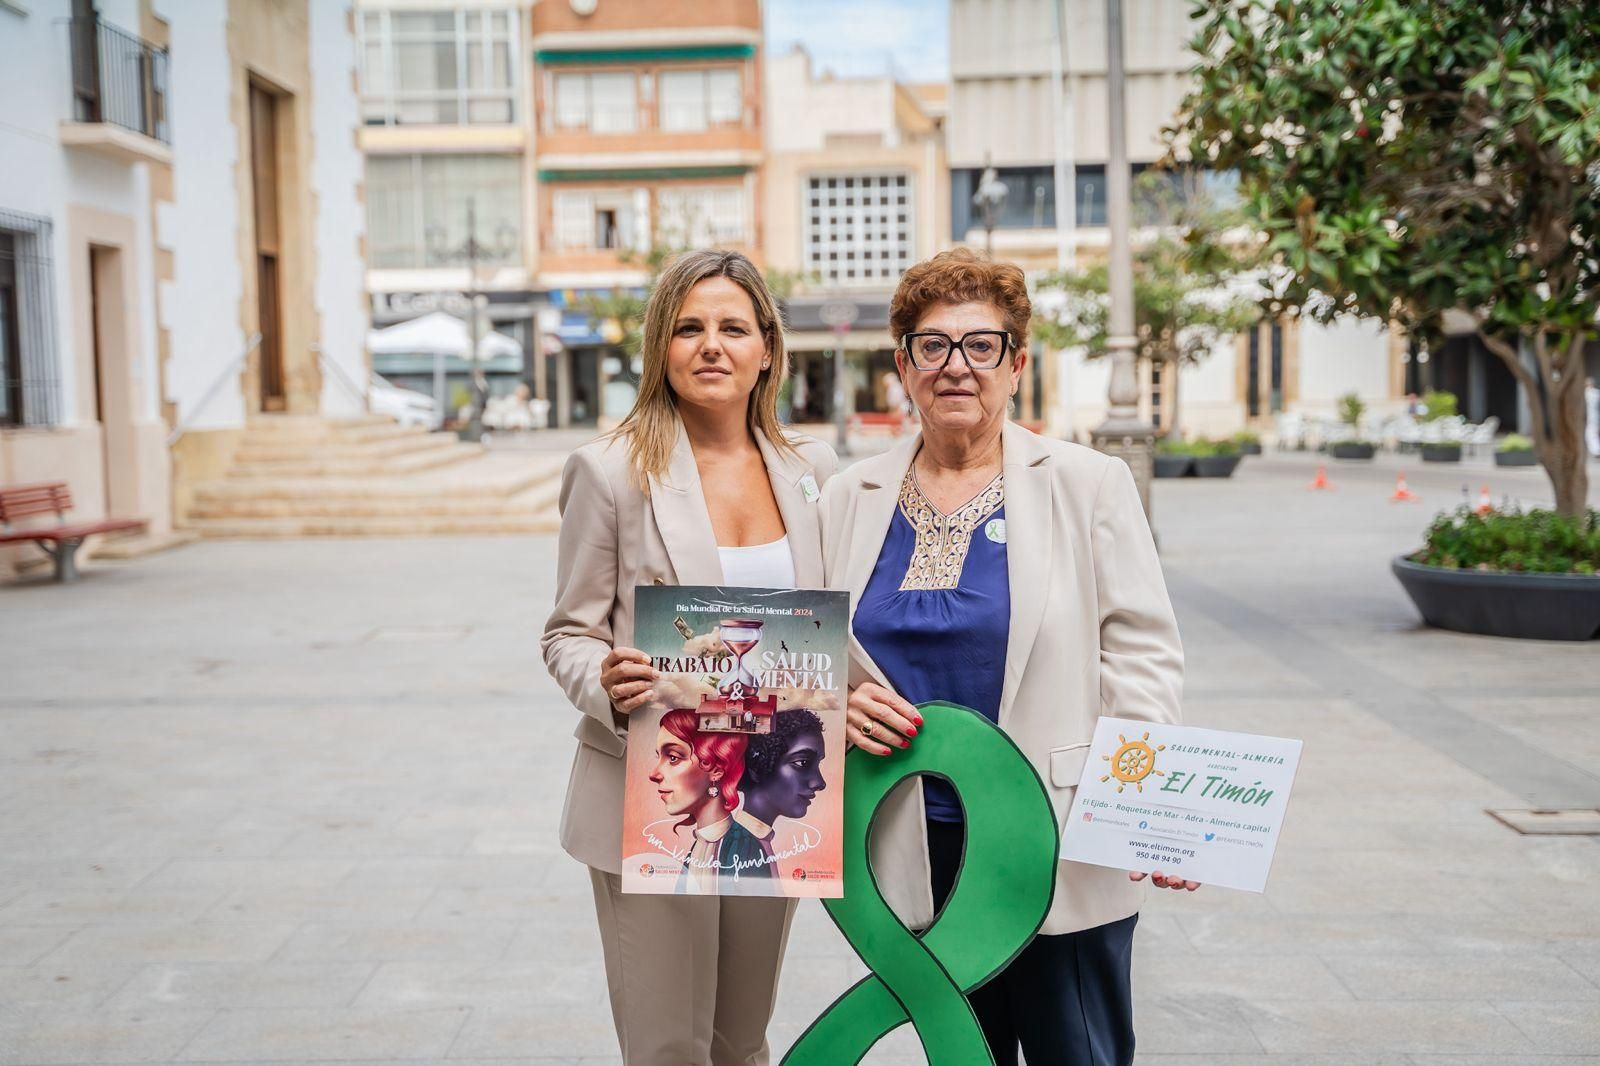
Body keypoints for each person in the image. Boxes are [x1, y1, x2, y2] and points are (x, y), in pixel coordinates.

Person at [819, 248, 1192, 1065]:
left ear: (1017, 364)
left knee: (1078, 1052)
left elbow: (1142, 657)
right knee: (963, 1053)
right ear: (903, 365)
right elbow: (813, 660)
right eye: (933, 345)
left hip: (1056, 838)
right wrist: (830, 710)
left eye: (981, 345)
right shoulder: (847, 499)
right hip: (912, 844)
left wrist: (1148, 812)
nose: (956, 365)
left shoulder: (1087, 484)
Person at [542, 249, 837, 1065]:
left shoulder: (810, 470)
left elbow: (831, 626)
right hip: (653, 793)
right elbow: (567, 632)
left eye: (733, 328)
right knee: (669, 1044)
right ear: (661, 349)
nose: (712, 345)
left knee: (742, 1038)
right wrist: (604, 680)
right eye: (688, 328)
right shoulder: (610, 472)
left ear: (767, 348)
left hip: (768, 799)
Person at [650, 709, 764, 895]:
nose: (654, 774)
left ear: (717, 769)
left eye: (673, 757)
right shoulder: (701, 843)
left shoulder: (745, 847)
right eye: (659, 757)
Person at [1585, 377, 1598, 458]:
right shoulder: (1597, 393)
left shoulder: (1586, 393)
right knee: (1594, 434)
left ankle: (1596, 451)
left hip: (1589, 417)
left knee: (1591, 434)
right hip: (1596, 417)